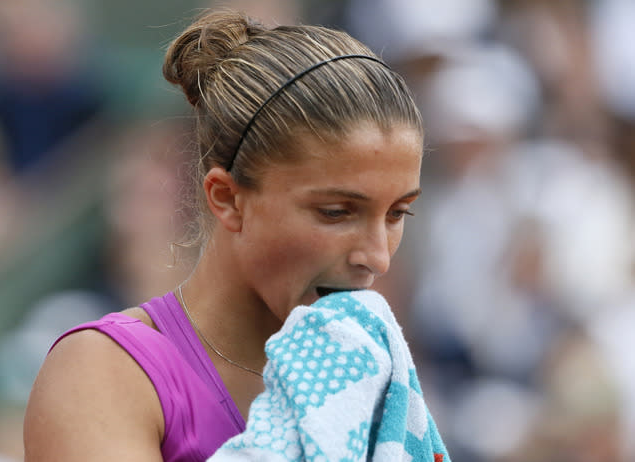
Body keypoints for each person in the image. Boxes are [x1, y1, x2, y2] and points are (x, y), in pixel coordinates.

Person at [23, 9, 429, 461]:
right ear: (229, 199)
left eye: (397, 213)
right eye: (336, 212)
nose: (377, 257)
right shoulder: (102, 372)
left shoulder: (371, 373)